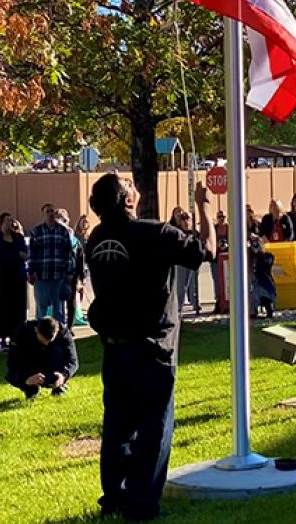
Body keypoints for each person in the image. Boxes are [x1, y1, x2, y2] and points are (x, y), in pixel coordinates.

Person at [85, 174, 214, 521]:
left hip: (115, 348)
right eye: (131, 185)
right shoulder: (153, 233)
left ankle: (115, 496)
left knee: (117, 425)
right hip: (152, 347)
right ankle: (142, 504)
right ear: (128, 199)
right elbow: (206, 251)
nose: (136, 188)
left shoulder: (96, 238)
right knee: (154, 425)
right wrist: (203, 207)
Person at [5, 316, 79, 399]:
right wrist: (25, 379)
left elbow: (73, 361)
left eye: (49, 341)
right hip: (31, 366)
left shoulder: (63, 332)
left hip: (52, 366)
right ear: (36, 330)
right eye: (43, 340)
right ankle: (31, 389)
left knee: (58, 349)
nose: (46, 344)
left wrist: (63, 375)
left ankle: (58, 386)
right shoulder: (22, 332)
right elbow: (12, 364)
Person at [28, 203, 74, 325]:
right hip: (41, 276)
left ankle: (60, 335)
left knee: (58, 309)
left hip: (58, 276)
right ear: (43, 214)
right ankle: (41, 335)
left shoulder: (63, 231)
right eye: (48, 211)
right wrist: (31, 272)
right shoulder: (36, 232)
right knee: (41, 309)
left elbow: (68, 253)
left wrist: (69, 272)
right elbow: (32, 254)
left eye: (52, 211)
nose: (51, 214)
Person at [0, 212, 29, 349]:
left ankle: (17, 336)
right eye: (6, 221)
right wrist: (17, 255)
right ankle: (3, 339)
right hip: (2, 280)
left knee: (18, 308)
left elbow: (25, 254)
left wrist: (17, 255)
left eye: (10, 220)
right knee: (2, 309)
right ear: (0, 223)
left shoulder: (18, 237)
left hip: (17, 279)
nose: (9, 223)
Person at [172, 210, 201, 315]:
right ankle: (179, 306)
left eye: (187, 219)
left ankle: (195, 303)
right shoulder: (177, 232)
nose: (185, 222)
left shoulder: (195, 233)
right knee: (180, 284)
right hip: (181, 262)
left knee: (194, 284)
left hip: (193, 261)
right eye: (183, 219)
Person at [71, 214, 91, 327]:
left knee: (83, 291)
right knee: (77, 290)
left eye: (86, 222)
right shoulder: (75, 236)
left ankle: (79, 311)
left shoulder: (88, 236)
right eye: (83, 222)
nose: (84, 224)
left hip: (86, 267)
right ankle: (76, 313)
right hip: (77, 266)